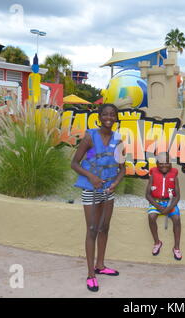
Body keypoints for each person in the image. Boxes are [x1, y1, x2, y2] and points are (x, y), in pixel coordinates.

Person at [71, 103, 125, 292]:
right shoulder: (90, 137)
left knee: (104, 227)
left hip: (108, 190)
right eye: (105, 114)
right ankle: (90, 274)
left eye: (112, 114)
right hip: (91, 189)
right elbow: (75, 163)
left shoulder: (118, 140)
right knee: (92, 229)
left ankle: (100, 266)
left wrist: (115, 184)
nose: (109, 117)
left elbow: (122, 168)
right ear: (99, 117)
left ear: (116, 118)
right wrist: (91, 177)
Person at [145, 152, 182, 261]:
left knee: (177, 219)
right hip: (156, 202)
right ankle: (157, 242)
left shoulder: (174, 175)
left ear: (170, 163)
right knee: (151, 217)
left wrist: (169, 207)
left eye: (166, 163)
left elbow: (178, 196)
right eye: (161, 163)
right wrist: (158, 207)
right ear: (157, 163)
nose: (164, 165)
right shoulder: (153, 175)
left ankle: (176, 247)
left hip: (170, 202)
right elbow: (147, 195)